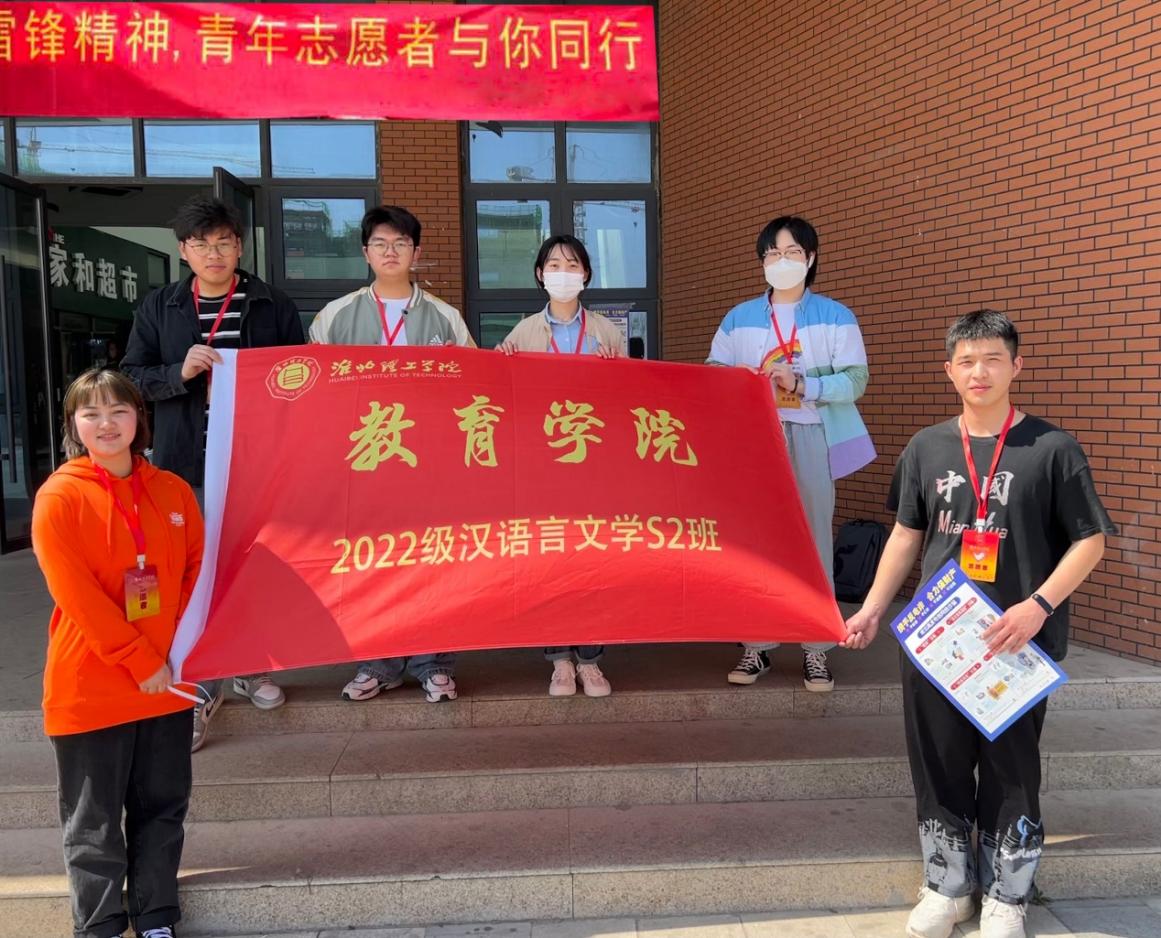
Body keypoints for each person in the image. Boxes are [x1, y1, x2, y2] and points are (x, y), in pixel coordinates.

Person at [842, 310, 1116, 938]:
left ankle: (1007, 895)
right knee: (937, 763)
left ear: (1016, 365)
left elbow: (1091, 540)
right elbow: (906, 535)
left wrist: (1038, 604)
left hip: (1017, 639)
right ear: (949, 371)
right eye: (966, 361)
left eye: (993, 358)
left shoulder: (1052, 448)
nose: (979, 371)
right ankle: (947, 885)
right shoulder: (926, 447)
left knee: (1011, 768)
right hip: (938, 640)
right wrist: (874, 607)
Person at [121, 195, 305, 751]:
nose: (214, 253)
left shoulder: (270, 303)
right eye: (201, 244)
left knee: (251, 567)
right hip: (185, 465)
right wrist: (178, 372)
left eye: (224, 242)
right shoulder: (162, 307)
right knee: (192, 571)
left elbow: (301, 377)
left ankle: (250, 666)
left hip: (254, 464)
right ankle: (201, 679)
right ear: (184, 251)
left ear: (240, 246)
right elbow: (131, 376)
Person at [31, 369, 204, 938]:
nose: (106, 424)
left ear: (139, 418)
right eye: (91, 413)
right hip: (92, 686)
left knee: (163, 808)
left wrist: (175, 651)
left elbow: (195, 574)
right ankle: (101, 924)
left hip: (167, 684)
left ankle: (155, 915)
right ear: (73, 425)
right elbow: (77, 597)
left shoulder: (173, 491)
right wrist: (140, 660)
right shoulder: (60, 496)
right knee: (94, 820)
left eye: (118, 411)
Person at [310, 204, 474, 703]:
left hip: (429, 465)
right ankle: (377, 663)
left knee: (432, 561)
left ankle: (434, 663)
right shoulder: (335, 316)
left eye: (401, 243)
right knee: (371, 565)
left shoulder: (445, 318)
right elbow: (315, 390)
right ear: (365, 253)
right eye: (380, 243)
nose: (390, 252)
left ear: (416, 253)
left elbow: (473, 386)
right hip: (364, 462)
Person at [708, 215, 874, 692]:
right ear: (762, 262)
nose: (782, 261)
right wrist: (737, 377)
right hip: (756, 439)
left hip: (812, 433)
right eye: (773, 254)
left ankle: (816, 648)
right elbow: (713, 369)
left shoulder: (835, 315)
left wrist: (802, 384)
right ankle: (756, 645)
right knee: (756, 541)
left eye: (792, 252)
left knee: (812, 537)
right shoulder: (739, 317)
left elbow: (855, 380)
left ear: (811, 258)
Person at [497, 235, 626, 697]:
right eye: (554, 265)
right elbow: (502, 401)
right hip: (542, 468)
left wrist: (617, 371)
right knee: (548, 562)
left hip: (592, 466)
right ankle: (559, 661)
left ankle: (590, 660)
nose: (563, 273)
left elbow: (626, 402)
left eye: (572, 265)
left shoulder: (606, 333)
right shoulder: (522, 333)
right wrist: (501, 364)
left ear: (586, 274)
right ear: (540, 274)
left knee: (592, 562)